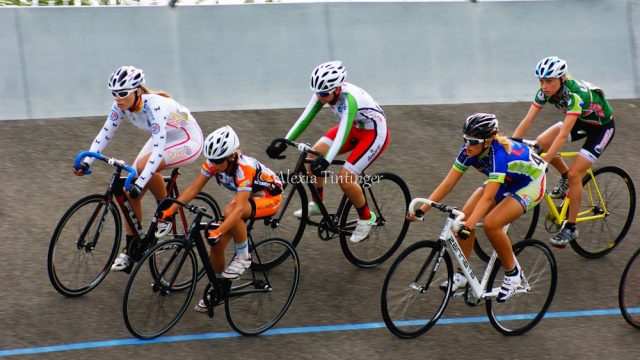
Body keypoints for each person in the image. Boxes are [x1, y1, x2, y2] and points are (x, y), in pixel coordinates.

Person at [74, 65, 204, 272]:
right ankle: (131, 249)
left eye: (123, 93)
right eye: (114, 94)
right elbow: (105, 133)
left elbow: (159, 148)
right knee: (129, 192)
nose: (118, 98)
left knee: (143, 169)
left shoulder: (155, 107)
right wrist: (86, 161)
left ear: (137, 91)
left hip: (187, 139)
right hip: (164, 137)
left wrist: (142, 180)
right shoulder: (120, 106)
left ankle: (167, 212)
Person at [407, 113, 547, 302]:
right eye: (465, 139)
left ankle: (513, 274)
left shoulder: (499, 155)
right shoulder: (469, 151)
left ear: (487, 142)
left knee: (491, 225)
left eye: (472, 141)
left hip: (530, 184)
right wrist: (423, 209)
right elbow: (448, 183)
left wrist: (470, 225)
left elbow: (488, 197)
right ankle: (463, 275)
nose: (467, 145)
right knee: (463, 219)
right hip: (506, 180)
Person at [160, 126, 283, 312]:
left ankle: (243, 257)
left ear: (231, 156)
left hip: (269, 197)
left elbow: (240, 207)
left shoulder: (244, 169)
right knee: (216, 244)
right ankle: (218, 287)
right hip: (248, 196)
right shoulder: (212, 163)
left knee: (231, 212)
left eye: (218, 161)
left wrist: (219, 230)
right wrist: (170, 211)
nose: (213, 165)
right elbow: (193, 189)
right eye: (211, 160)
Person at [265, 60, 390, 243]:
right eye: (317, 93)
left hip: (374, 133)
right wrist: (284, 141)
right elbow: (305, 119)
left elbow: (342, 132)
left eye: (324, 94)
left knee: (345, 178)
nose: (320, 97)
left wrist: (326, 160)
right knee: (310, 155)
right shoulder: (323, 93)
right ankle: (318, 203)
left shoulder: (350, 99)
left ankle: (366, 217)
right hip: (356, 128)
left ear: (337, 89)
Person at [512, 56, 615, 247]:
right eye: (541, 81)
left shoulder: (574, 96)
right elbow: (527, 120)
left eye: (549, 81)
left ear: (562, 79)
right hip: (580, 120)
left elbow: (562, 136)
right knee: (540, 144)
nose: (544, 86)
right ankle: (564, 176)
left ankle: (571, 227)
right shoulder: (544, 92)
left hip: (602, 128)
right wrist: (511, 144)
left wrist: (543, 162)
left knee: (576, 174)